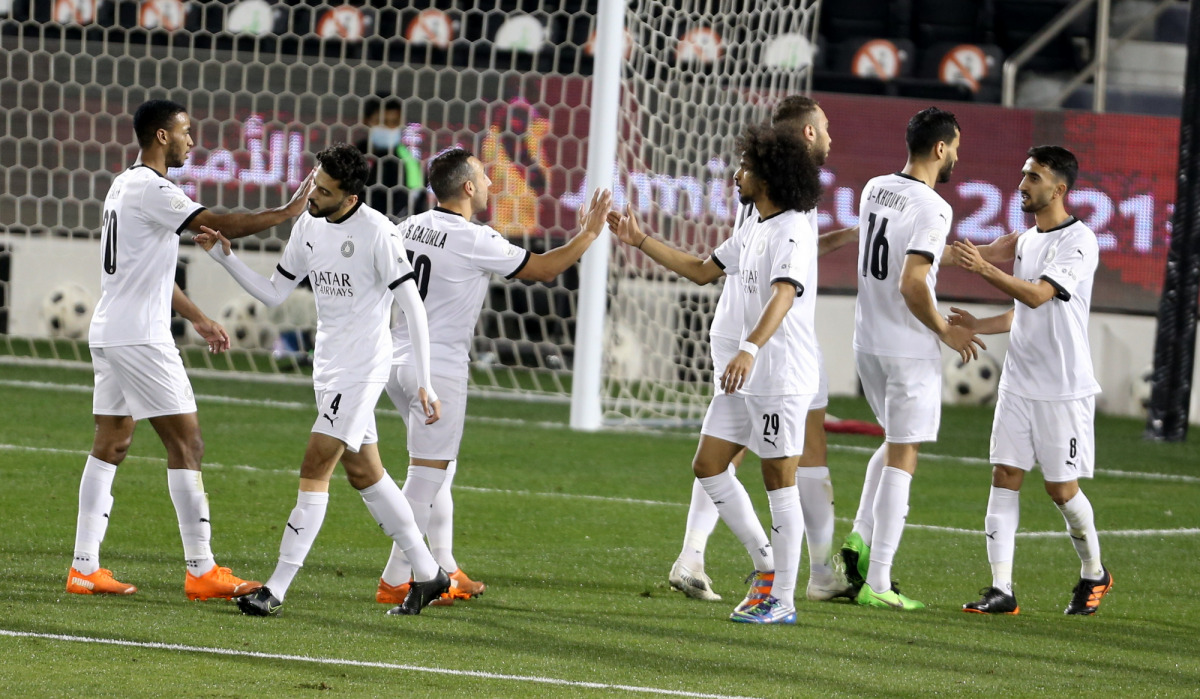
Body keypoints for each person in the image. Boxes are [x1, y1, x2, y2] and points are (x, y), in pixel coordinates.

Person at [69, 98, 312, 601]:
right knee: (188, 445)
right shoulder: (153, 189)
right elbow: (221, 220)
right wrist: (287, 213)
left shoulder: (123, 185)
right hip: (141, 336)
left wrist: (197, 316)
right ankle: (201, 568)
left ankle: (84, 566)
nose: (192, 141)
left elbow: (144, 270)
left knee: (111, 442)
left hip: (113, 329)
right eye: (185, 132)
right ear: (161, 136)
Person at [195, 143, 449, 617]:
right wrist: (225, 258)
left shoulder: (378, 233)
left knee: (315, 467)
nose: (312, 194)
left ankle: (276, 588)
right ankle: (429, 572)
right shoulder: (308, 224)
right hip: (327, 366)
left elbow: (412, 306)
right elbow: (274, 293)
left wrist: (425, 381)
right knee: (366, 473)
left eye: (324, 191)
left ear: (350, 195)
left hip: (362, 367)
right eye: (314, 182)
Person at [623, 96, 857, 606]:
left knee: (779, 479)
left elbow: (785, 292)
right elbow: (702, 269)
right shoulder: (756, 226)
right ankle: (765, 565)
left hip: (776, 371)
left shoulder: (793, 226)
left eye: (746, 166)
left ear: (767, 175)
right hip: (742, 370)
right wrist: (640, 240)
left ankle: (782, 598)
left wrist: (750, 347)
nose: (736, 174)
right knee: (709, 465)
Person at [375, 147, 613, 606]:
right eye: (483, 177)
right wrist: (588, 234)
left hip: (396, 361)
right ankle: (397, 578)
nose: (489, 184)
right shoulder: (474, 239)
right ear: (466, 187)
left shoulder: (406, 227)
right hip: (438, 368)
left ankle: (443, 565)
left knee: (439, 467)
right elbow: (544, 269)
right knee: (426, 475)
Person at [949, 146, 1112, 616]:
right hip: (1018, 383)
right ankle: (1002, 590)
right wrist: (976, 324)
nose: (1022, 184)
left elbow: (1039, 296)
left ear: (1059, 189)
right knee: (1004, 476)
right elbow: (1020, 314)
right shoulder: (1024, 240)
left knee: (1062, 491)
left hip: (1063, 389)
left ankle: (1094, 573)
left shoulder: (1078, 242)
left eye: (1033, 177)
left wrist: (985, 269)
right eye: (1023, 174)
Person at [839, 107, 986, 611]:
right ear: (940, 148)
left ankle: (857, 542)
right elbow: (911, 280)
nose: (957, 158)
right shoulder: (934, 206)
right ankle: (878, 582)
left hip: (868, 345)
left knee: (894, 440)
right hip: (907, 348)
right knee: (906, 453)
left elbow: (891, 257)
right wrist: (944, 329)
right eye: (956, 148)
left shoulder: (874, 187)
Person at [356, 95, 428, 219]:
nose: (388, 128)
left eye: (394, 122)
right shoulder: (353, 157)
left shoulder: (410, 162)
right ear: (366, 121)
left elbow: (418, 203)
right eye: (382, 121)